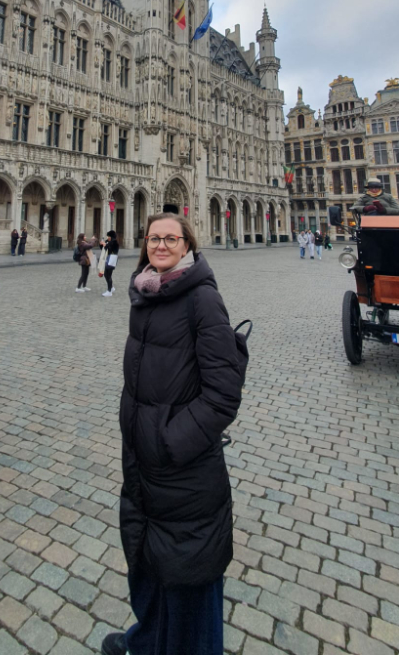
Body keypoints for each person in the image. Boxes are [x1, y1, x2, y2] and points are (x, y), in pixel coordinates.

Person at [102, 213, 243, 655]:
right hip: (143, 461)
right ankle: (147, 641)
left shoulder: (203, 299)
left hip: (182, 467)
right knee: (148, 557)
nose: (160, 245)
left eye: (170, 239)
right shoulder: (146, 293)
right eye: (153, 238)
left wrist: (171, 442)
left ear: (187, 245)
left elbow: (223, 394)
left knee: (189, 570)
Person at [101, 229, 120, 297]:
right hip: (109, 259)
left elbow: (110, 248)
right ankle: (111, 287)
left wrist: (105, 245)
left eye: (108, 236)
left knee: (108, 274)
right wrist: (102, 244)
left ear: (111, 236)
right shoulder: (109, 241)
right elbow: (104, 248)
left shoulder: (114, 242)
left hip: (112, 259)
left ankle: (109, 291)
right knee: (106, 274)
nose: (107, 237)